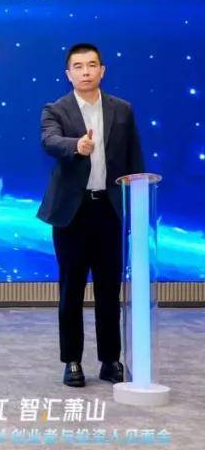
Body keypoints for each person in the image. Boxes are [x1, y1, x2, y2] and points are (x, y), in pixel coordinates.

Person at [37, 42, 144, 388]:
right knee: (71, 289)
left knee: (109, 289)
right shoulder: (56, 109)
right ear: (68, 74)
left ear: (102, 70)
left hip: (109, 210)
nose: (86, 72)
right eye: (79, 67)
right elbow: (50, 141)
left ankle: (110, 360)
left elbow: (134, 159)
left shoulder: (122, 110)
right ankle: (72, 361)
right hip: (73, 213)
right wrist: (77, 146)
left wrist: (135, 206)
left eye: (92, 65)